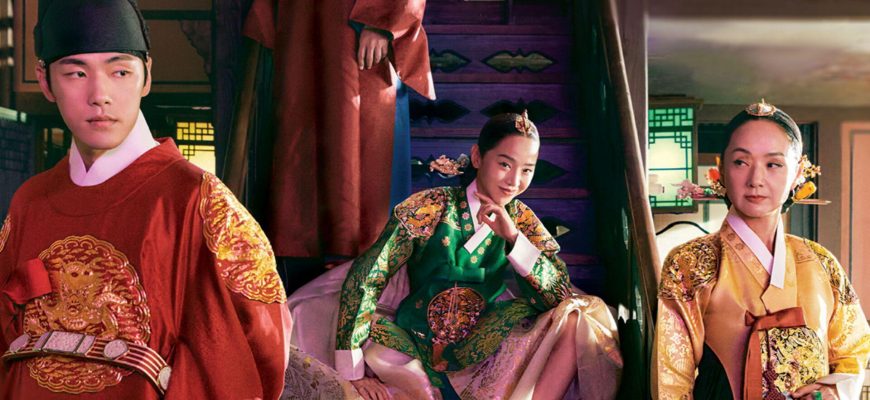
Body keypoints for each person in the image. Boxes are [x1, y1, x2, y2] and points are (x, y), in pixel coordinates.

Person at [0, 1, 290, 398]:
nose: (99, 95)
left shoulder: (199, 202)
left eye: (120, 72)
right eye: (75, 73)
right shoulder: (30, 202)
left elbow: (258, 344)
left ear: (147, 76)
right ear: (45, 81)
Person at [284, 112, 622, 400]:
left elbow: (557, 295)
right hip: (415, 338)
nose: (514, 181)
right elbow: (368, 277)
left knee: (580, 317)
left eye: (527, 170)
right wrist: (354, 372)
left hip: (483, 344)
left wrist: (513, 238)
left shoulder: (521, 221)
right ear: (477, 157)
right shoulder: (430, 207)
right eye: (505, 164)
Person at [653, 100, 870, 400]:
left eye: (773, 164)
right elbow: (670, 378)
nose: (756, 180)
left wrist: (834, 389)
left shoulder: (822, 263)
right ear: (721, 169)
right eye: (741, 162)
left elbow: (854, 349)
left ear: (797, 173)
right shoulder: (689, 262)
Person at [242, 0, 434, 259]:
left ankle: (359, 258)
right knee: (299, 130)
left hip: (358, 27)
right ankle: (301, 255)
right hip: (301, 22)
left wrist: (383, 22)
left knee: (360, 145)